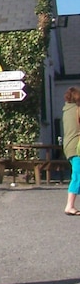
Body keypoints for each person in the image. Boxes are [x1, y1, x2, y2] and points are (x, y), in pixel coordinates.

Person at [62, 87, 80, 216]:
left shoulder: (66, 110)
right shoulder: (77, 110)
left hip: (69, 146)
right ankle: (69, 205)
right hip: (77, 147)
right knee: (77, 176)